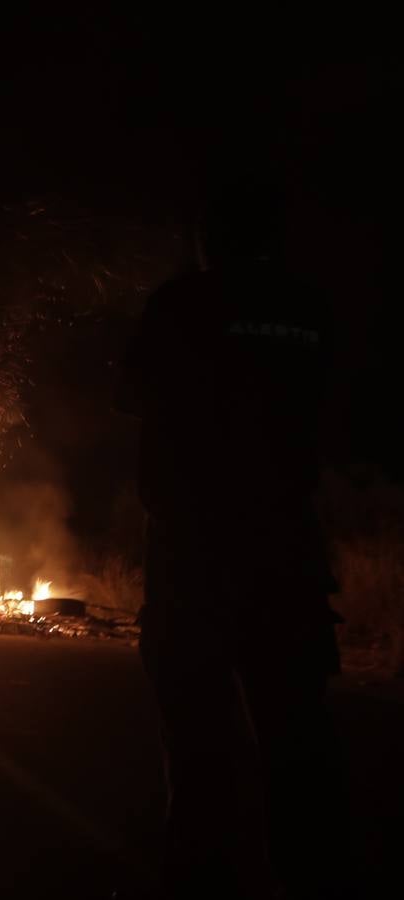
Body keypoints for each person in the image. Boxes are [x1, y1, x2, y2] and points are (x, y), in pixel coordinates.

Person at [117, 179, 349, 899]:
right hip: (287, 554)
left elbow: (135, 398)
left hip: (197, 559)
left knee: (196, 749)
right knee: (294, 743)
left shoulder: (180, 306)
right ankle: (304, 877)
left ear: (207, 238)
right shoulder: (311, 309)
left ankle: (196, 879)